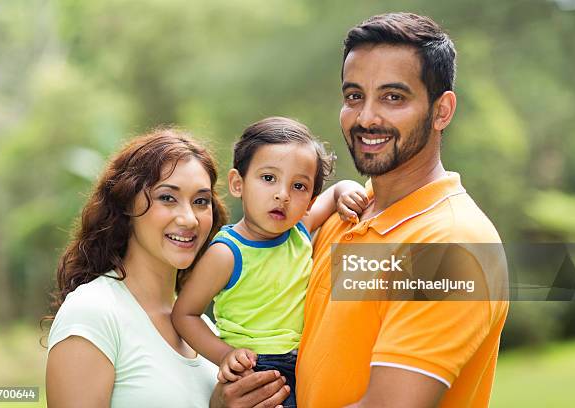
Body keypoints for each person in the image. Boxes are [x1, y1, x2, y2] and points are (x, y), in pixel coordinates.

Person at [295, 13, 509, 408]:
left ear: (442, 111)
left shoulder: (453, 244)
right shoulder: (347, 212)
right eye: (354, 96)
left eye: (393, 97)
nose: (366, 118)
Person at [45, 128, 290, 408]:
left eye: (200, 201)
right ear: (126, 204)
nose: (189, 219)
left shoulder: (205, 330)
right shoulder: (94, 313)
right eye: (167, 198)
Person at [172, 117, 368, 408]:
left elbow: (336, 191)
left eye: (299, 186)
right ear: (238, 184)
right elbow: (184, 315)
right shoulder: (227, 253)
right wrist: (225, 355)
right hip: (256, 368)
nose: (282, 194)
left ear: (311, 201)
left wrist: (346, 189)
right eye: (268, 178)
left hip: (307, 360)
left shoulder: (300, 229)